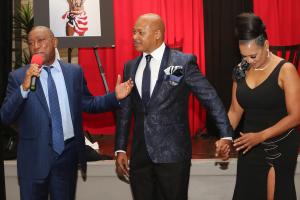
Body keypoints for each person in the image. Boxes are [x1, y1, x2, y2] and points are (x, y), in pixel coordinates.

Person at [0, 26, 133, 200]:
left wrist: (114, 97)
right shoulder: (18, 77)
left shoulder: (73, 73)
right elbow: (6, 115)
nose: (36, 46)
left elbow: (89, 104)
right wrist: (23, 88)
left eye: (41, 40)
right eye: (31, 43)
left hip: (66, 157)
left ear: (54, 42)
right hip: (34, 159)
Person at [115, 13, 233, 200]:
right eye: (133, 32)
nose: (134, 37)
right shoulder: (130, 66)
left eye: (140, 32)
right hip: (139, 157)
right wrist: (120, 148)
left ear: (157, 34)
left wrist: (226, 134)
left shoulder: (182, 62)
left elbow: (210, 98)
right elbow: (125, 110)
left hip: (173, 156)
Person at [227, 13, 300, 200]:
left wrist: (261, 136)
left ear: (266, 45)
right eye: (244, 56)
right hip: (249, 144)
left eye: (253, 55)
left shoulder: (286, 70)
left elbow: (297, 115)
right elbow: (235, 112)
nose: (248, 61)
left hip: (278, 144)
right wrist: (224, 136)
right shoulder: (240, 70)